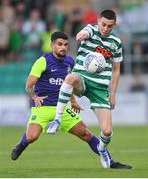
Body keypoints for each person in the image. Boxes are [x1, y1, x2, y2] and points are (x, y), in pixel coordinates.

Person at [11, 31, 131, 169]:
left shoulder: (70, 62)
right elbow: (28, 85)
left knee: (86, 134)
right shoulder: (42, 61)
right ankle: (21, 145)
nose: (63, 47)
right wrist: (34, 97)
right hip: (42, 107)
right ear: (52, 45)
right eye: (59, 44)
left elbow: (68, 86)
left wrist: (73, 101)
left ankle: (111, 162)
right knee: (32, 137)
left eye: (66, 45)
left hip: (62, 109)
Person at [47, 10, 131, 168]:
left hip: (100, 88)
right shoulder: (91, 30)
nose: (105, 28)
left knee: (107, 132)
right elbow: (81, 34)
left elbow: (116, 70)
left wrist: (113, 94)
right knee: (70, 77)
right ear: (98, 21)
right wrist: (82, 35)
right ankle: (57, 119)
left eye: (109, 26)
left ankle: (102, 149)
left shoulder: (116, 43)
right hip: (83, 80)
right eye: (103, 24)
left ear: (115, 25)